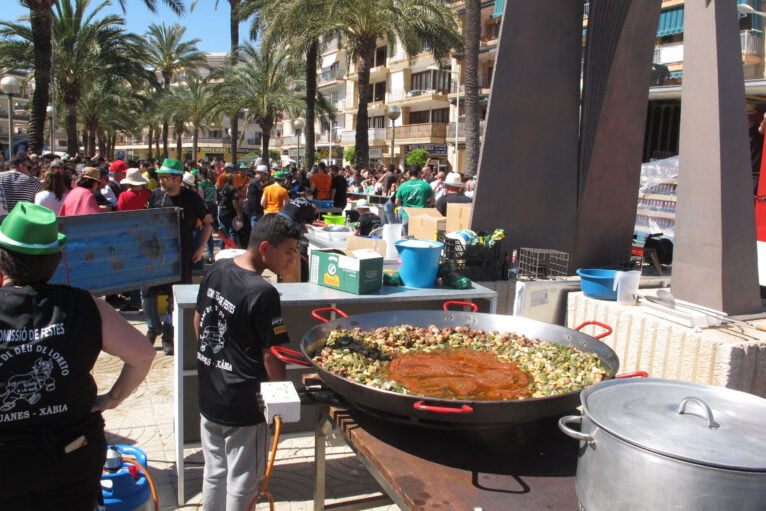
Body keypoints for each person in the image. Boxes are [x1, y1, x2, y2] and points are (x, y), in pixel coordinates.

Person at [0, 202, 155, 510]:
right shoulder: (86, 305)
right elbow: (143, 354)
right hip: (72, 454)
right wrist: (112, 399)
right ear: (56, 260)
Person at [195, 214, 299, 511]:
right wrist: (278, 400)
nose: (292, 259)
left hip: (210, 393)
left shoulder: (217, 269)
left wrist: (211, 357)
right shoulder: (263, 291)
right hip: (245, 404)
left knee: (214, 471)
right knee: (244, 479)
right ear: (265, 248)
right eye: (289, 251)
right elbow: (272, 353)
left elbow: (199, 317)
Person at [143, 158, 213, 354]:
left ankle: (168, 335)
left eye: (165, 177)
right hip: (155, 255)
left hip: (182, 255)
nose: (161, 181)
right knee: (147, 293)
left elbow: (208, 222)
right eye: (160, 177)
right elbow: (144, 220)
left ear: (177, 178)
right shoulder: (155, 195)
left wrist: (200, 249)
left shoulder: (192, 198)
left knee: (175, 296)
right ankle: (152, 327)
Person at [394, 165, 435, 235]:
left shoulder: (402, 186)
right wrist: (425, 204)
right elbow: (433, 202)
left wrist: (405, 204)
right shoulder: (426, 185)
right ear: (419, 173)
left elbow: (397, 202)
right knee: (420, 240)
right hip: (421, 217)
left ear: (409, 174)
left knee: (406, 241)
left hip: (406, 217)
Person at [216, 173, 241, 248]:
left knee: (223, 232)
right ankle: (233, 249)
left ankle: (222, 249)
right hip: (230, 211)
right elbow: (234, 202)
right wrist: (238, 213)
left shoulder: (221, 189)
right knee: (232, 232)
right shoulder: (233, 189)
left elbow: (217, 201)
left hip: (221, 211)